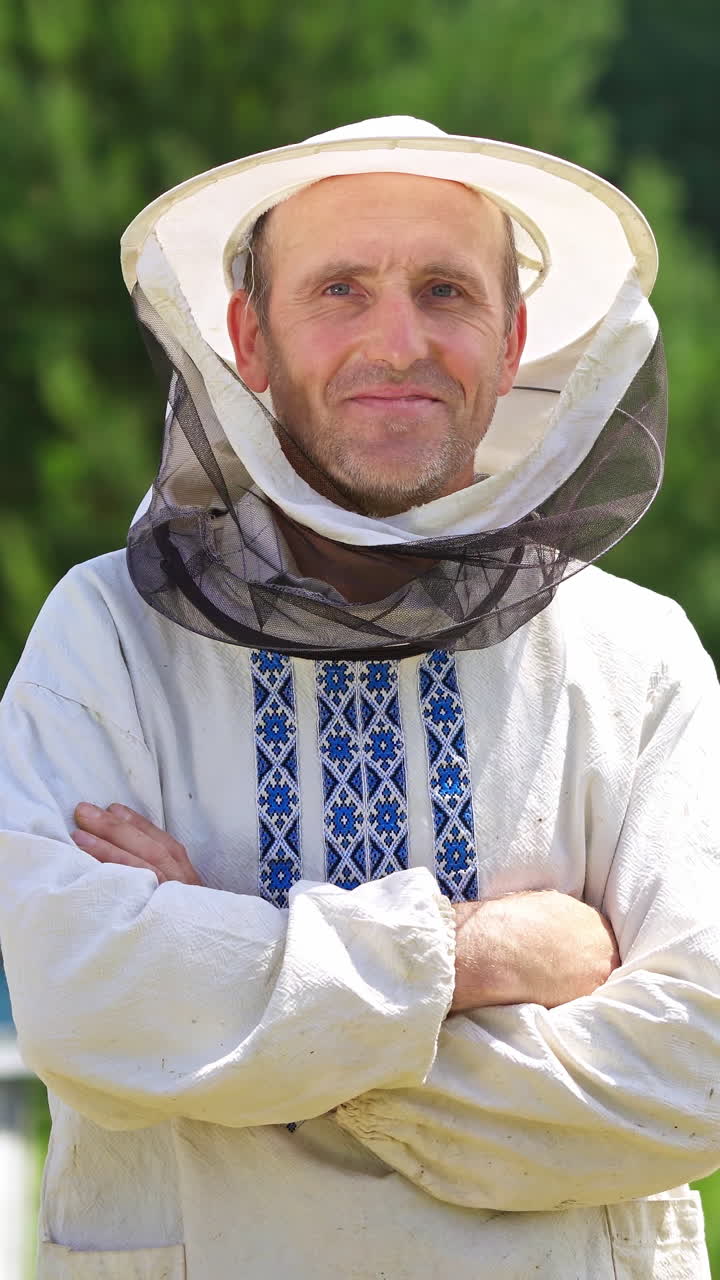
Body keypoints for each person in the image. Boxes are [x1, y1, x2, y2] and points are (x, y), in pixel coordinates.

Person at [1, 116, 718, 1279]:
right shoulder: (107, 636)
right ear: (250, 336)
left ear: (513, 333)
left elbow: (700, 1068)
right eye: (339, 288)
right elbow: (81, 1007)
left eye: (445, 289)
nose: (399, 340)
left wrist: (245, 1017)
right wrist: (471, 955)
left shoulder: (639, 655)